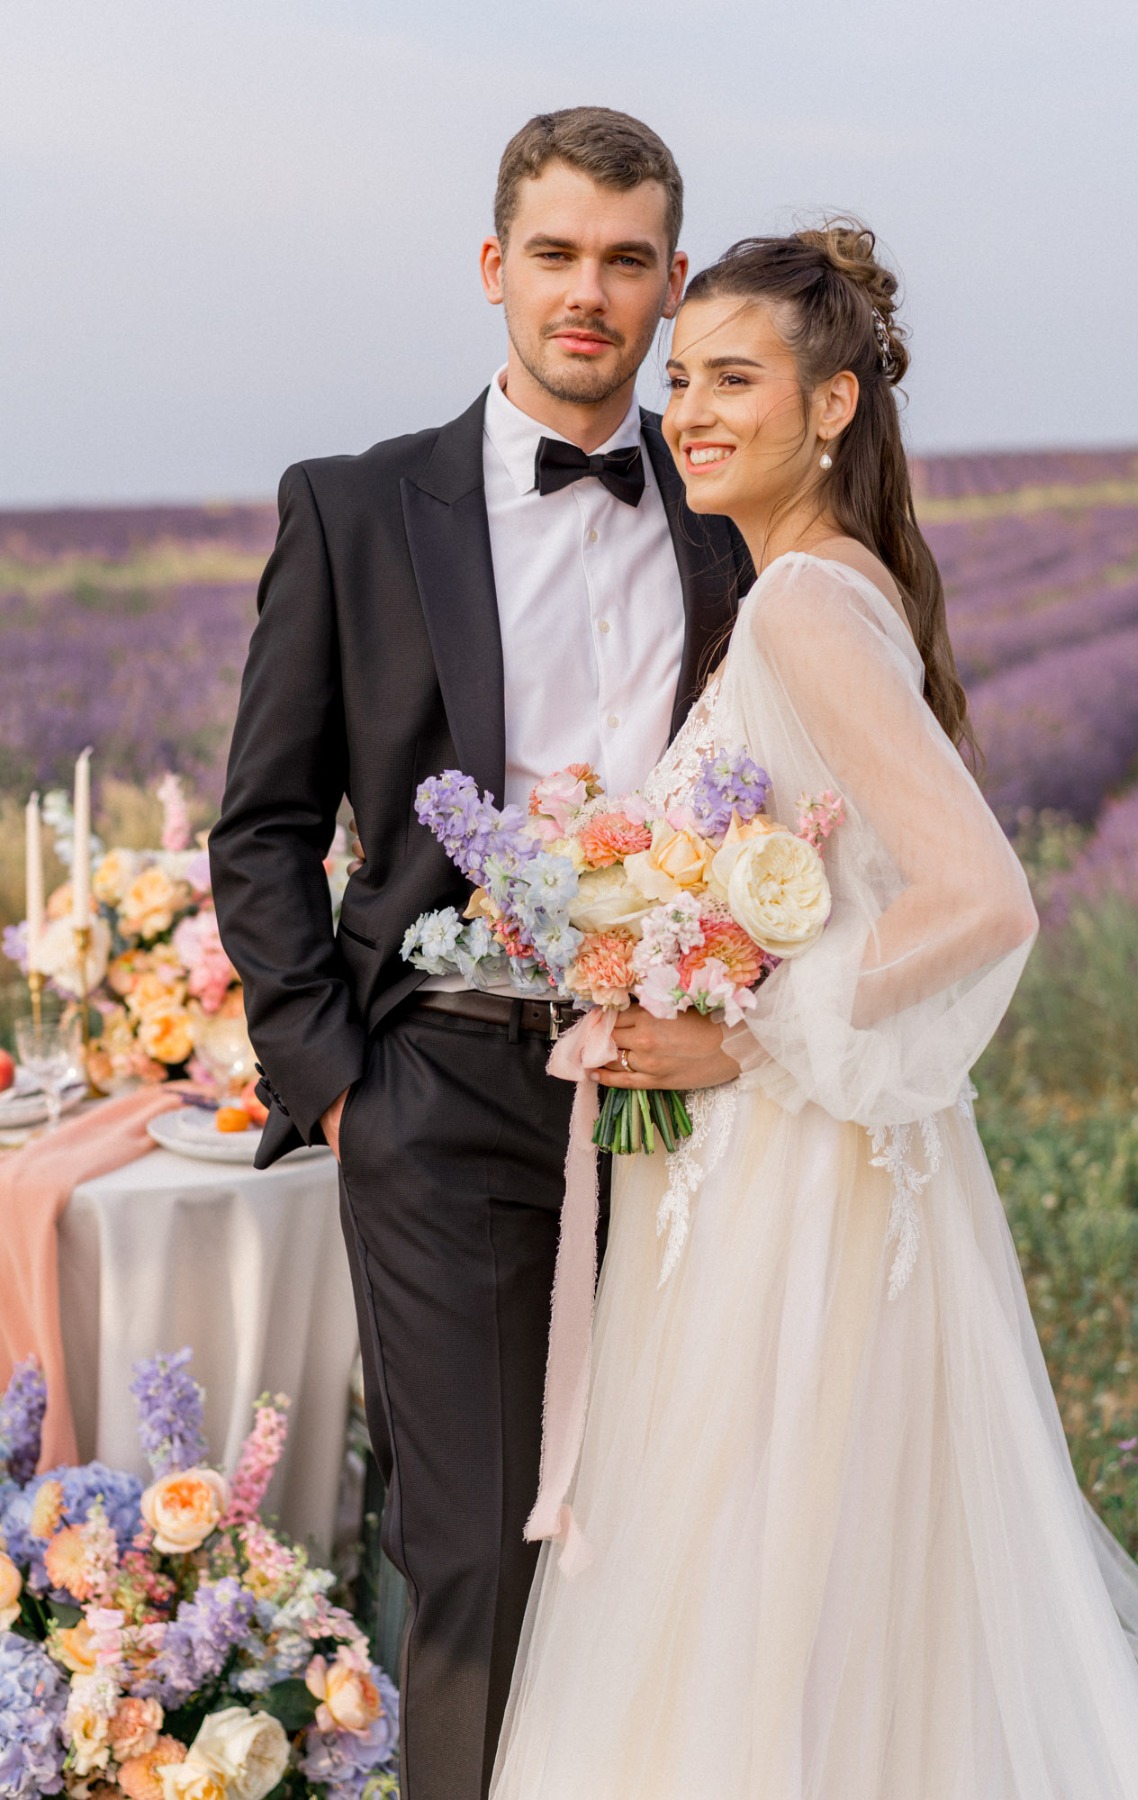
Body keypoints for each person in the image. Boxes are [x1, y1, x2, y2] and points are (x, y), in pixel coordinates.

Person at [489, 224, 1138, 1798]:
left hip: (788, 1182)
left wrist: (739, 1032)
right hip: (787, 1166)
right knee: (828, 1582)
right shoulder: (824, 586)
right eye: (683, 380)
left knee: (764, 1566)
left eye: (734, 379)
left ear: (832, 409)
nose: (692, 411)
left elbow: (979, 897)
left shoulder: (805, 601)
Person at [208, 108, 750, 1800]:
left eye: (627, 260)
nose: (588, 294)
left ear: (672, 283)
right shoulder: (359, 508)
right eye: (557, 254)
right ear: (495, 266)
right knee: (476, 1561)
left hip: (698, 1108)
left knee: (683, 1546)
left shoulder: (742, 521)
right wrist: (344, 1091)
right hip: (441, 1090)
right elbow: (265, 829)